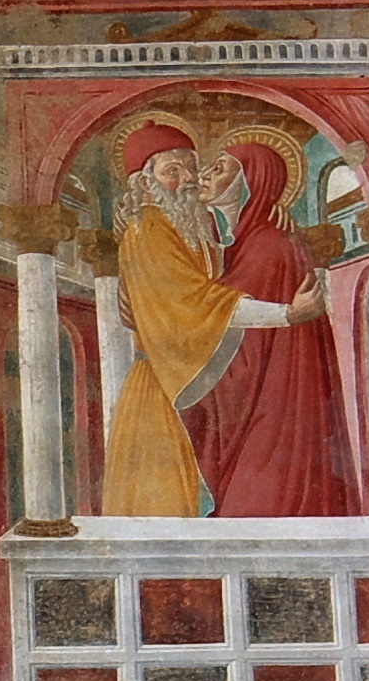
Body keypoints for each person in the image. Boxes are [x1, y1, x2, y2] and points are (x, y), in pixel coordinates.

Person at [100, 121, 325, 517]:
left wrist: (267, 209)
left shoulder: (196, 222)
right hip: (164, 390)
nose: (188, 178)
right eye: (172, 171)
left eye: (191, 165)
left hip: (197, 383)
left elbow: (227, 274)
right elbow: (200, 303)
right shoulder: (148, 227)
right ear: (144, 183)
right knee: (167, 514)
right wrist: (287, 314)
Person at [185, 130, 363, 518]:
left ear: (250, 181)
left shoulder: (268, 245)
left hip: (275, 402)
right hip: (266, 392)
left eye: (220, 169)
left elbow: (218, 310)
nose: (205, 176)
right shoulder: (245, 239)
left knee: (258, 506)